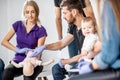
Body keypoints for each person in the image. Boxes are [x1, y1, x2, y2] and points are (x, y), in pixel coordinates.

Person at [29, 0, 101, 80]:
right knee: (56, 68)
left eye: (65, 13)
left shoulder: (88, 29)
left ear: (74, 12)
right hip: (82, 61)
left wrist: (67, 61)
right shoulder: (73, 27)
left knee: (71, 73)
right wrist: (44, 47)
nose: (63, 17)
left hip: (91, 63)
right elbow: (62, 43)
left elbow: (87, 53)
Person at [70, 0, 120, 80]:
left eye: (89, 27)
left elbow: (110, 52)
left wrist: (91, 66)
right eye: (84, 28)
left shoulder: (109, 5)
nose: (86, 30)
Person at [1, 0, 47, 80]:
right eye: (27, 12)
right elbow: (4, 41)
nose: (30, 15)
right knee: (7, 72)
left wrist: (31, 55)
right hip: (18, 61)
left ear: (37, 12)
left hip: (33, 62)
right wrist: (18, 50)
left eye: (32, 12)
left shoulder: (41, 30)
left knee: (27, 78)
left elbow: (39, 52)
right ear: (24, 13)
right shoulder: (18, 24)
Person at [54, 0, 95, 65]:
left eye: (64, 13)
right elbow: (58, 18)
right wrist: (60, 38)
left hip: (84, 27)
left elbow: (89, 12)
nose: (63, 16)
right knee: (74, 63)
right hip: (73, 28)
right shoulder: (57, 0)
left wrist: (89, 27)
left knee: (84, 56)